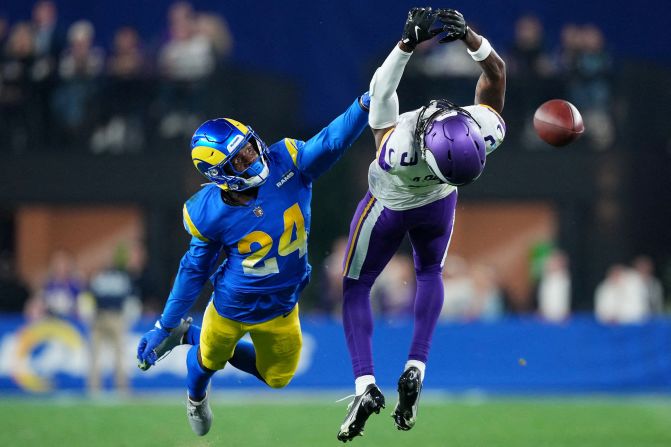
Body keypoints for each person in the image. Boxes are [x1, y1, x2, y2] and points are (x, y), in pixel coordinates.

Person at [136, 90, 371, 435]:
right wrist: (165, 325)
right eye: (240, 160)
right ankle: (196, 395)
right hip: (232, 305)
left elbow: (332, 141)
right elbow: (193, 271)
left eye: (249, 147)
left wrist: (364, 104)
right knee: (209, 361)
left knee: (278, 377)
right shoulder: (209, 212)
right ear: (219, 175)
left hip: (282, 305)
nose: (251, 157)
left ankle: (191, 335)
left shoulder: (287, 162)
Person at [336, 7, 506, 441]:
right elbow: (496, 72)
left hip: (389, 205)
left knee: (356, 286)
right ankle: (417, 364)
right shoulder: (485, 132)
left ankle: (364, 385)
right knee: (429, 272)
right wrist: (470, 36)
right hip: (438, 205)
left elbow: (381, 90)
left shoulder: (398, 148)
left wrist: (405, 45)